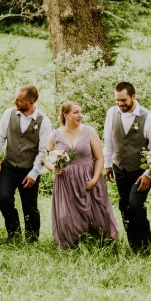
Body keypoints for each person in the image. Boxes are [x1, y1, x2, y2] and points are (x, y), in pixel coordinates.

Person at [48, 101, 119, 248]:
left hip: (88, 177)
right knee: (66, 215)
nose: (80, 115)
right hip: (66, 180)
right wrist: (52, 168)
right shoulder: (55, 134)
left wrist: (94, 179)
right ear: (65, 115)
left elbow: (99, 158)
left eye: (81, 112)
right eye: (75, 112)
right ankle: (70, 244)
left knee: (97, 213)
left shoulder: (89, 131)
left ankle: (102, 243)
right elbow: (45, 155)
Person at [102, 81, 151, 252]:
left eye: (123, 100)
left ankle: (145, 244)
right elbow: (108, 141)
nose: (120, 104)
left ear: (134, 97)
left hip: (141, 170)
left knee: (135, 205)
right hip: (120, 168)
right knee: (124, 206)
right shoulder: (112, 113)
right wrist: (107, 165)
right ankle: (134, 245)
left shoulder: (148, 117)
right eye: (117, 100)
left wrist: (149, 174)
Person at [0, 84, 52, 242]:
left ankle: (32, 239)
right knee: (4, 199)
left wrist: (33, 174)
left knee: (30, 206)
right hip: (9, 167)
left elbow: (43, 151)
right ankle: (14, 233)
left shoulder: (44, 121)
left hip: (30, 169)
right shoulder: (9, 114)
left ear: (30, 102)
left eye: (19, 100)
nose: (15, 102)